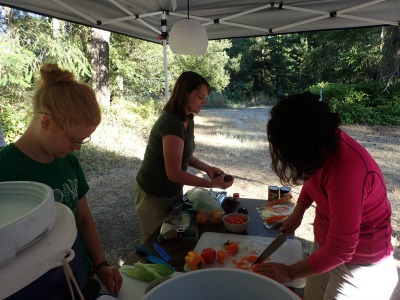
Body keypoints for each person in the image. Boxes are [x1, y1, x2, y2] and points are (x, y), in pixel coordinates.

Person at [253, 92, 398, 299]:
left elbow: (341, 250)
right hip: (327, 248)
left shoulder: (346, 170)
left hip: (361, 263)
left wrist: (290, 272)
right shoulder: (320, 147)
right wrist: (299, 210)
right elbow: (312, 177)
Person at [0, 63, 122, 298]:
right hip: (34, 288)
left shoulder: (69, 162)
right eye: (73, 140)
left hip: (77, 274)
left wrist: (100, 265)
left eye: (83, 141)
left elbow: (83, 218)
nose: (76, 149)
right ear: (46, 123)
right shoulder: (6, 168)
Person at [135, 71, 234, 243]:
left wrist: (207, 168)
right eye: (200, 96)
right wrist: (211, 184)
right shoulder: (171, 123)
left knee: (173, 238)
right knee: (155, 243)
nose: (204, 101)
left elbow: (185, 155)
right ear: (185, 94)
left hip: (172, 192)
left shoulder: (188, 118)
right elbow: (173, 173)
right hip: (153, 195)